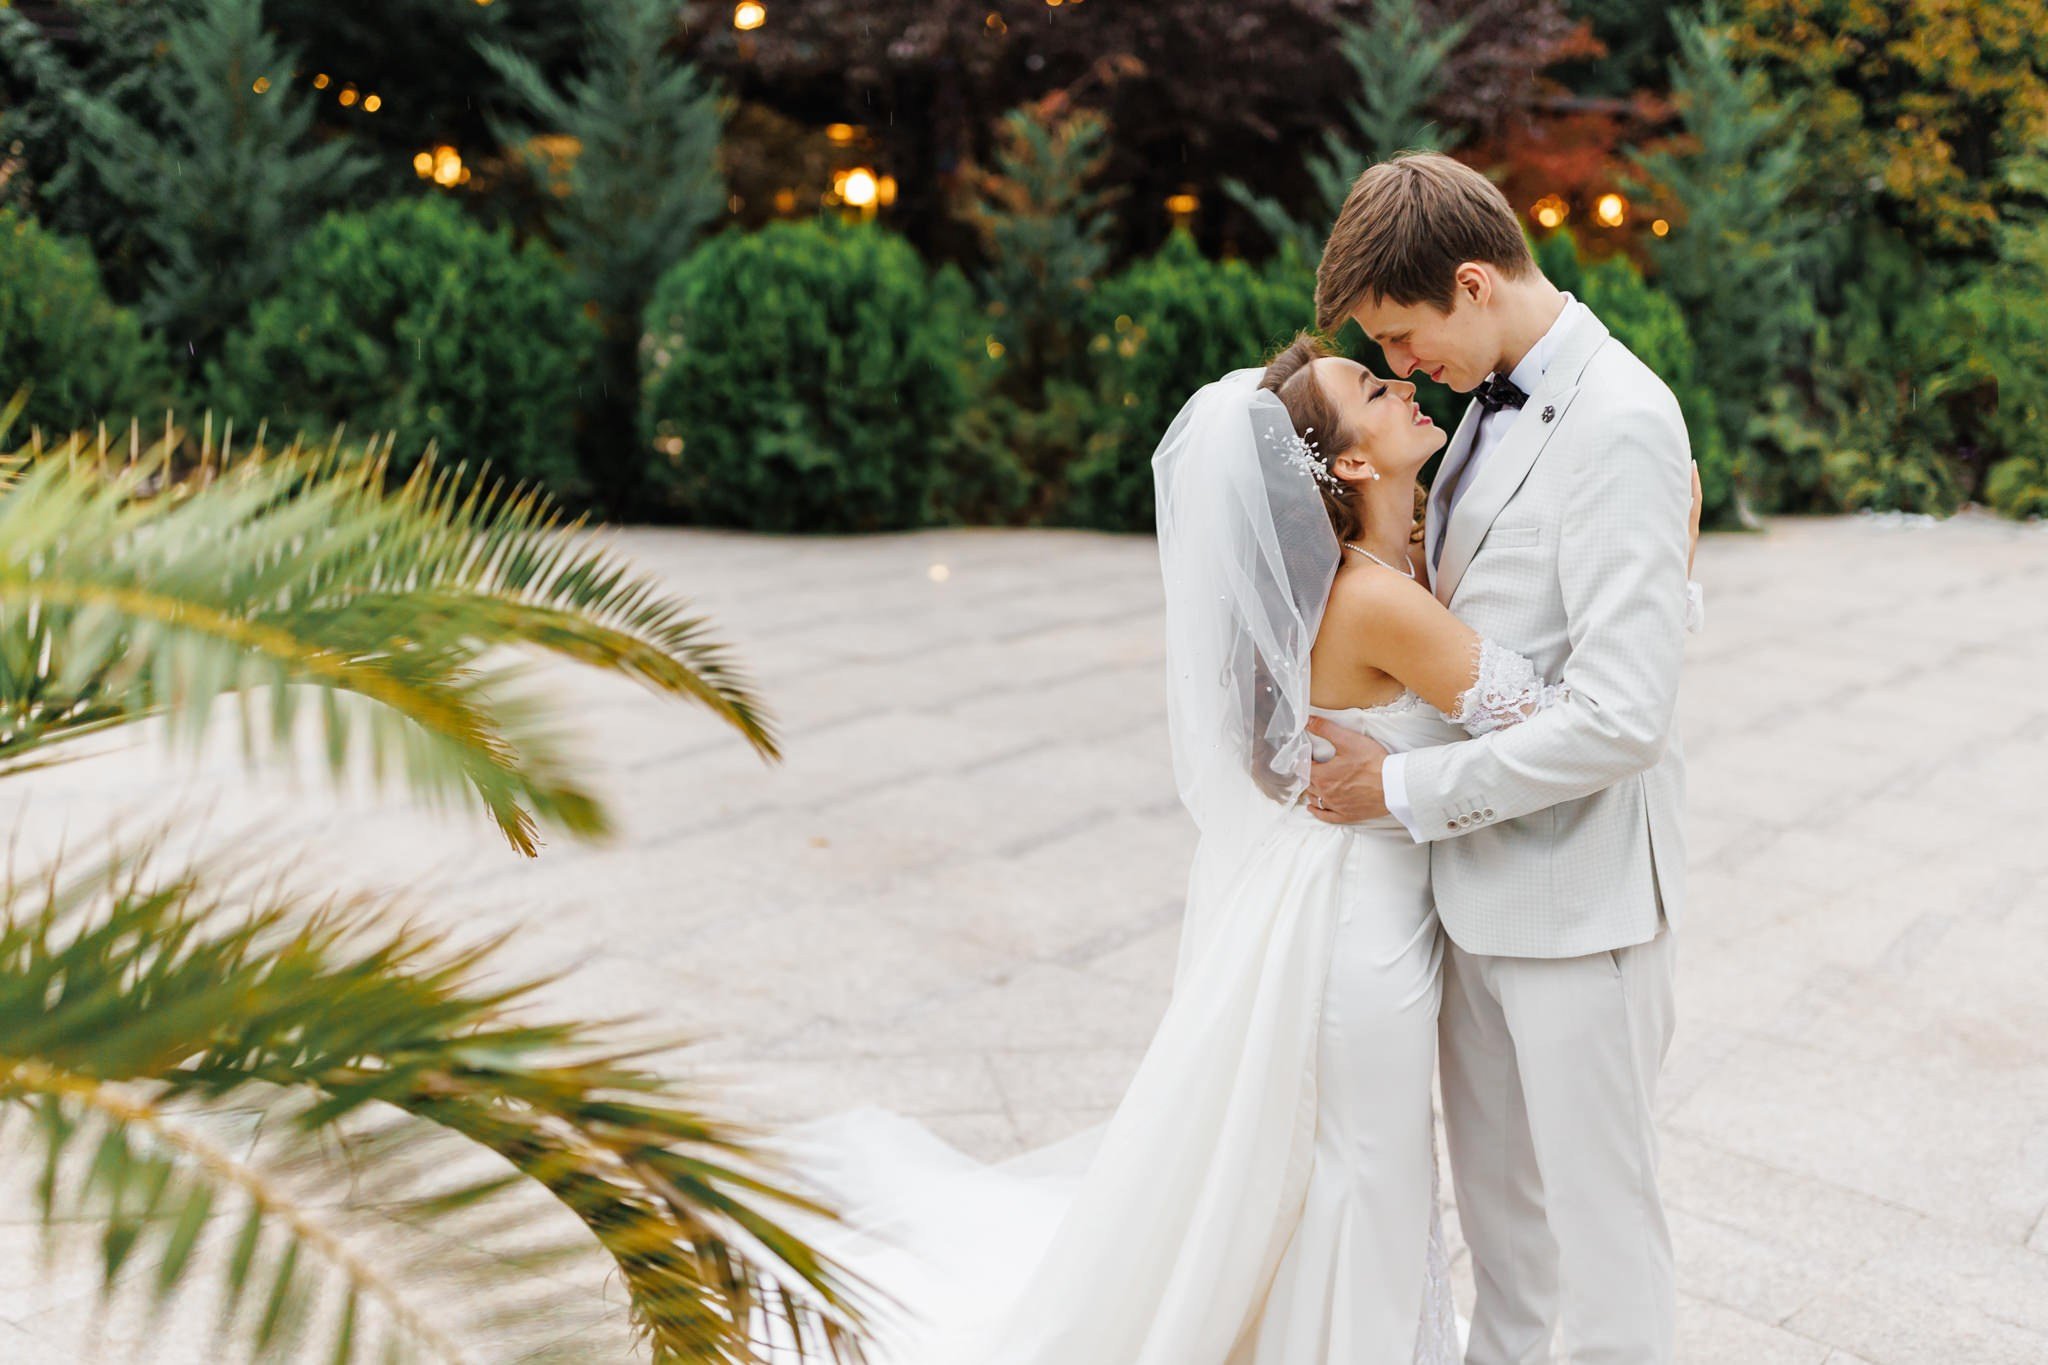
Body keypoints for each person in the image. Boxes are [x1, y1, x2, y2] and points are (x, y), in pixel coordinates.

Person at [763, 324, 1701, 1363]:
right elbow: (1568, 720)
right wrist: (1672, 567)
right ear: (1351, 464)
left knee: (1353, 1165)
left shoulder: (1383, 566)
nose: (1401, 385)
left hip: (1346, 891)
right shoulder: (1374, 598)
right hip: (1364, 919)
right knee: (1368, 1173)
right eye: (1373, 389)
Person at [1303, 150, 1698, 1365]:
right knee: (1503, 1236)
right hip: (1469, 899)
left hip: (1580, 900)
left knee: (1600, 1231)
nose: (1399, 364)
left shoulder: (1621, 419)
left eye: (1402, 335)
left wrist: (1397, 788)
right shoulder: (1477, 409)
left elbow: (1622, 716)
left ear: (1472, 284)